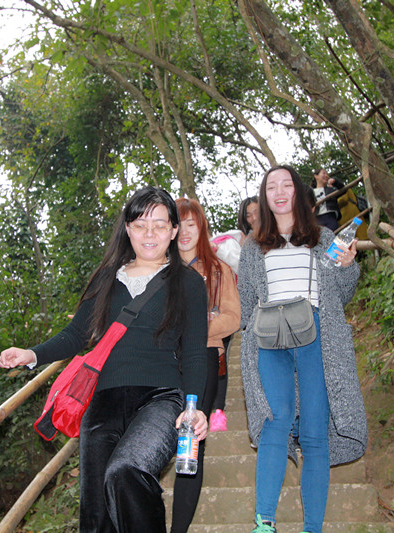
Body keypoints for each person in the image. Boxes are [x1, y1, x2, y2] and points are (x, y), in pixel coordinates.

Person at [0, 186, 209, 533]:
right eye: (140, 225)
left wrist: (193, 406)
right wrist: (32, 354)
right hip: (104, 400)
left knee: (127, 470)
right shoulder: (107, 277)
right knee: (96, 515)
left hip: (161, 399)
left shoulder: (188, 282)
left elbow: (197, 352)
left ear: (173, 231)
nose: (150, 233)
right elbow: (76, 334)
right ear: (127, 229)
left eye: (159, 225)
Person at [238, 165, 368, 533]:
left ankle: (313, 527)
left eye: (286, 185)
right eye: (271, 187)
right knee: (275, 419)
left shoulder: (323, 237)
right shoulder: (252, 248)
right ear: (264, 197)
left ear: (298, 192)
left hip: (318, 338)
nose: (279, 192)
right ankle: (264, 522)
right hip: (270, 339)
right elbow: (247, 304)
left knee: (314, 431)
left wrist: (348, 267)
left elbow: (341, 295)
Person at [171, 197, 240, 533]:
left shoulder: (217, 269)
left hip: (205, 355)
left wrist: (194, 328)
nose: (185, 232)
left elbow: (233, 318)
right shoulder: (159, 269)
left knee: (190, 443)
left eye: (192, 224)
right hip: (162, 361)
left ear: (202, 227)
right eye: (179, 224)